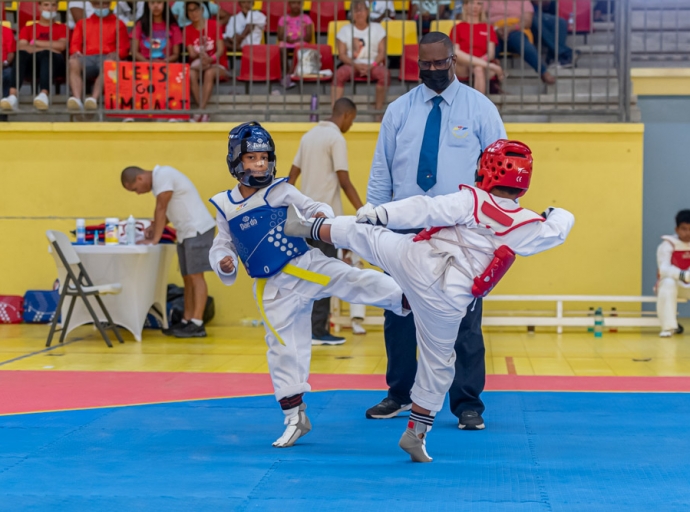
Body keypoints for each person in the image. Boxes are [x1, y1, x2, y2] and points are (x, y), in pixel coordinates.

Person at [285, 139, 575, 462]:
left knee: (367, 235)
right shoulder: (525, 226)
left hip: (418, 261)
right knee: (438, 367)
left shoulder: (471, 199)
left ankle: (309, 226)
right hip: (449, 300)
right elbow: (559, 229)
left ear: (486, 170)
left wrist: (380, 213)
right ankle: (416, 433)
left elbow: (424, 207)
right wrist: (555, 212)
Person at [208, 121, 409, 448]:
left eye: (264, 158)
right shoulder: (224, 205)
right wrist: (222, 261)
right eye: (252, 159)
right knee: (283, 351)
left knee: (350, 279)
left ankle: (408, 298)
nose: (259, 165)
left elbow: (314, 207)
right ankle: (294, 417)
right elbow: (222, 244)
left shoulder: (280, 190)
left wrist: (321, 218)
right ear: (236, 161)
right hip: (272, 288)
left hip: (304, 265)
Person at [365, 32, 506, 430]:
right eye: (424, 65)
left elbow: (499, 180)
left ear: (453, 59)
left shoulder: (480, 109)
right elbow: (381, 174)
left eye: (439, 63)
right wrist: (374, 226)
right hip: (405, 231)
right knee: (399, 313)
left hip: (462, 233)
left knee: (464, 319)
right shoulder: (399, 111)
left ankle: (466, 404)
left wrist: (492, 231)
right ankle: (399, 394)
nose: (432, 71)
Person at [288, 98, 366, 345]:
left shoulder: (308, 136)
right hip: (325, 222)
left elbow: (291, 178)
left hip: (304, 220)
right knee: (325, 275)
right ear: (346, 115)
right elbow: (344, 180)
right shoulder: (336, 139)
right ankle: (317, 331)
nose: (350, 125)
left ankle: (305, 328)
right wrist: (364, 211)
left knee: (309, 274)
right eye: (351, 121)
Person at [121, 165, 216, 338]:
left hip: (197, 229)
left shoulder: (163, 175)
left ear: (140, 178)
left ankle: (198, 323)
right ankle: (187, 320)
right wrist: (155, 226)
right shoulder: (160, 182)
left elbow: (161, 207)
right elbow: (166, 213)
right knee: (187, 277)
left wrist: (155, 238)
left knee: (196, 277)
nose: (138, 193)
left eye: (135, 189)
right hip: (185, 232)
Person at [0, 0, 66, 112]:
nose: (50, 8)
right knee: (21, 55)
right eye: (46, 5)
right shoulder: (28, 28)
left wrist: (35, 42)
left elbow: (61, 46)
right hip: (33, 66)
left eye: (53, 5)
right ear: (39, 7)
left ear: (57, 7)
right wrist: (50, 47)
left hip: (56, 66)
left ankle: (43, 95)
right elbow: (22, 47)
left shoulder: (62, 28)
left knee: (46, 55)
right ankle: (12, 96)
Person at [68, 0, 130, 112]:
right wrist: (76, 52)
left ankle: (93, 99)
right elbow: (75, 44)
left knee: (108, 64)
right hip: (87, 58)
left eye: (105, 4)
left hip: (107, 58)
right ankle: (77, 99)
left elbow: (124, 47)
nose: (102, 7)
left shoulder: (119, 24)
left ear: (110, 4)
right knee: (73, 62)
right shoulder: (82, 23)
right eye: (98, 4)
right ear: (92, 5)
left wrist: (117, 53)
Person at [333, 0, 389, 115]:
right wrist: (356, 65)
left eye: (362, 10)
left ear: (368, 12)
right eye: (355, 10)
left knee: (384, 74)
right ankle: (336, 112)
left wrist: (371, 65)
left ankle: (378, 111)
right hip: (351, 64)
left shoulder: (378, 28)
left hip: (373, 64)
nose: (359, 13)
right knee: (339, 75)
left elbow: (382, 52)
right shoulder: (344, 30)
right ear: (351, 14)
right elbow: (342, 55)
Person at [487, 0, 556, 84]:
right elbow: (482, 18)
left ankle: (543, 71)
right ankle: (493, 81)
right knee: (491, 42)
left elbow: (527, 21)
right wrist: (495, 29)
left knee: (518, 38)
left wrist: (511, 28)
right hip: (493, 30)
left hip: (516, 30)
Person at [185, 0, 228, 122]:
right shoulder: (187, 30)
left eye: (196, 9)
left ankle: (199, 111)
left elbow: (220, 49)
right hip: (199, 65)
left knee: (209, 73)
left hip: (217, 64)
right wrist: (200, 55)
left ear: (202, 10)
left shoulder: (214, 25)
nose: (193, 13)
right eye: (190, 10)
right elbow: (191, 53)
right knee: (191, 74)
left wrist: (211, 59)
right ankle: (203, 113)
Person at [450, 0, 504, 94]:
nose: (475, 6)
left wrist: (479, 62)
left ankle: (478, 106)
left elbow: (491, 53)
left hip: (483, 65)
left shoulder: (488, 27)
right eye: (471, 3)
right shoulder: (457, 27)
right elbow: (456, 53)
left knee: (478, 68)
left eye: (479, 3)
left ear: (482, 7)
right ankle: (492, 67)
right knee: (455, 52)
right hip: (462, 66)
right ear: (465, 5)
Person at [656, 210, 690, 338]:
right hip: (673, 286)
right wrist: (684, 276)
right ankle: (668, 327)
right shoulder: (667, 244)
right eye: (684, 229)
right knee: (668, 283)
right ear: (677, 229)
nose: (687, 233)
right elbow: (663, 270)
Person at [276, 1, 313, 89]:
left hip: (301, 41)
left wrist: (298, 39)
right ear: (289, 5)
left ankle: (289, 75)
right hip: (287, 41)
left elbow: (309, 37)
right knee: (281, 47)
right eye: (293, 3)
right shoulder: (283, 18)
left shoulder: (306, 18)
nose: (296, 5)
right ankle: (287, 74)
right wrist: (286, 38)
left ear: (302, 5)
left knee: (299, 48)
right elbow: (280, 36)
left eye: (299, 3)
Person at [531, 1, 578, 68]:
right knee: (534, 21)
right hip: (520, 17)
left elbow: (544, 4)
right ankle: (566, 53)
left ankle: (553, 58)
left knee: (561, 22)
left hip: (536, 13)